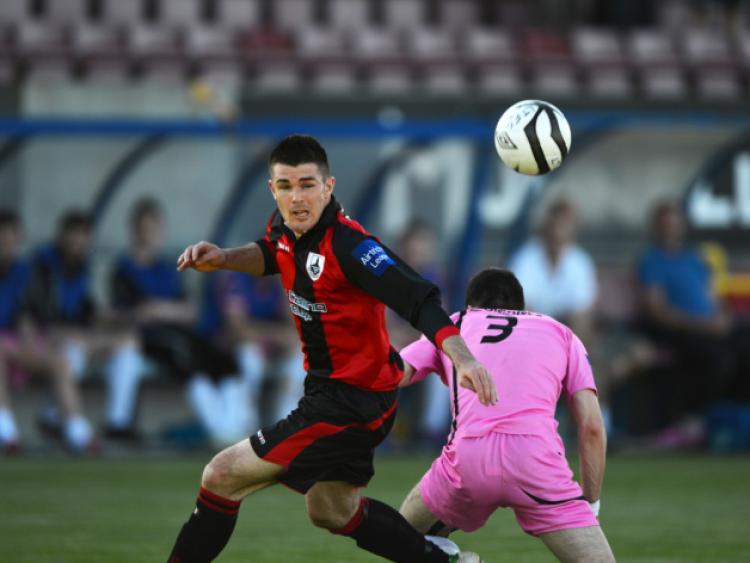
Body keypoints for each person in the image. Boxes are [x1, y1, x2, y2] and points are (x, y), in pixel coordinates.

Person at [167, 134, 494, 563]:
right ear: (273, 189)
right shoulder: (284, 226)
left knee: (222, 474)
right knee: (331, 510)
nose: (296, 197)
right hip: (337, 395)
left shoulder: (353, 247)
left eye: (307, 184)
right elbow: (271, 253)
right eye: (285, 186)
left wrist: (463, 356)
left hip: (351, 403)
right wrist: (225, 258)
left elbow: (419, 298)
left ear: (329, 187)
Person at [397, 267, 615, 563]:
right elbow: (591, 427)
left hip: (469, 460)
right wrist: (591, 503)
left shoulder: (456, 324)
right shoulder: (561, 333)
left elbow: (395, 373)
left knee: (398, 538)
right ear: (521, 309)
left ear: (471, 306)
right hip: (536, 462)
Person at [110, 198, 246, 445]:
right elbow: (130, 313)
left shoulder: (169, 267)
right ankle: (220, 432)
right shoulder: (124, 268)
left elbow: (189, 310)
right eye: (144, 228)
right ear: (134, 230)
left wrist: (158, 308)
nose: (149, 234)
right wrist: (155, 311)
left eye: (153, 228)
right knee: (187, 361)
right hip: (150, 340)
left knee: (224, 357)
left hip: (180, 333)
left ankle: (235, 426)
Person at [635, 201, 749, 446]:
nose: (670, 230)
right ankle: (695, 422)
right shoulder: (652, 261)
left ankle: (733, 417)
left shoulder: (695, 259)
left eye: (674, 224)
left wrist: (723, 317)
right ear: (656, 228)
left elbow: (714, 298)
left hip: (711, 328)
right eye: (665, 225)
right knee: (718, 359)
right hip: (681, 332)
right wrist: (704, 325)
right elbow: (658, 311)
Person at [508, 198, 597, 342]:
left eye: (565, 225)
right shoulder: (525, 258)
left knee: (583, 324)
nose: (558, 231)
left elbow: (582, 310)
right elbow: (521, 308)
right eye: (556, 224)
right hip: (531, 331)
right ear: (546, 227)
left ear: (574, 231)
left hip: (565, 331)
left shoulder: (581, 262)